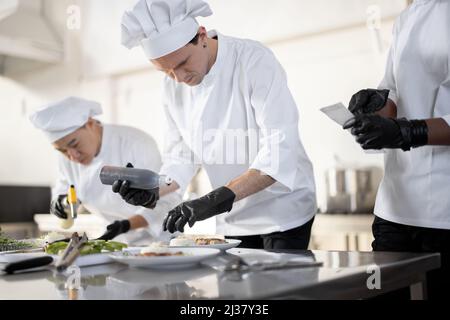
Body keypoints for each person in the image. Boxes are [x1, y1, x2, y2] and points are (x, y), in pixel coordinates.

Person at [113, 0, 317, 250]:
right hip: (232, 219)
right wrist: (154, 190)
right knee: (234, 289)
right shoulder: (173, 87)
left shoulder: (253, 60)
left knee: (280, 288)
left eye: (182, 64)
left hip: (282, 210)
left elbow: (279, 151)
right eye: (166, 71)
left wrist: (213, 200)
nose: (178, 78)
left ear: (201, 36)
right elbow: (181, 157)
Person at [344, 0, 450, 299]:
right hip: (394, 208)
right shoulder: (408, 17)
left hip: (443, 212)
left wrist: (407, 132)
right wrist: (374, 108)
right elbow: (393, 90)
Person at [30, 96, 180, 244]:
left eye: (75, 144)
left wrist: (125, 225)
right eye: (62, 150)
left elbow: (165, 202)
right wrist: (61, 203)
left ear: (90, 123)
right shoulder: (67, 158)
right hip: (115, 240)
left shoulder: (136, 143)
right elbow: (65, 188)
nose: (72, 156)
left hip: (160, 240)